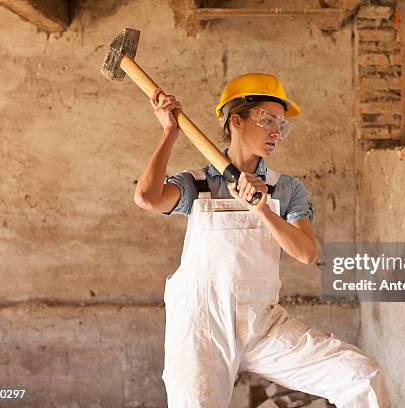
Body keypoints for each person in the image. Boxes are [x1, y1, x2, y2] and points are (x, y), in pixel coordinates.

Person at [134, 73, 380, 407]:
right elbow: (147, 197)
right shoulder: (198, 184)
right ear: (236, 120)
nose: (277, 132)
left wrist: (263, 210)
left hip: (261, 323)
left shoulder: (286, 188)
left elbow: (306, 252)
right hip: (201, 327)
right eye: (267, 121)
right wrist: (169, 132)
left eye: (281, 124)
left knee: (360, 375)